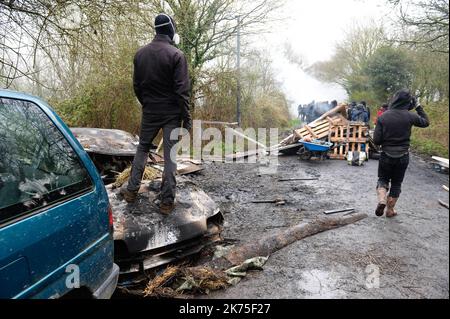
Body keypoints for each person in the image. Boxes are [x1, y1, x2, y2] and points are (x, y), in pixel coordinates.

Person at [122, 13, 192, 215]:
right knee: (170, 156)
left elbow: (137, 86)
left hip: (150, 111)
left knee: (142, 149)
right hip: (171, 113)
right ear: (171, 31)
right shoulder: (177, 55)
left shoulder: (140, 54)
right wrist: (186, 119)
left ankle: (131, 192)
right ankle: (166, 203)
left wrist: (148, 104)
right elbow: (181, 92)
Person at [373, 89, 430, 218]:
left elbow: (376, 140)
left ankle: (382, 200)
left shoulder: (383, 116)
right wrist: (418, 106)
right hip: (403, 155)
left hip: (386, 154)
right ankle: (390, 210)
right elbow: (426, 122)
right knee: (397, 183)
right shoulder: (410, 116)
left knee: (383, 179)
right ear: (408, 102)